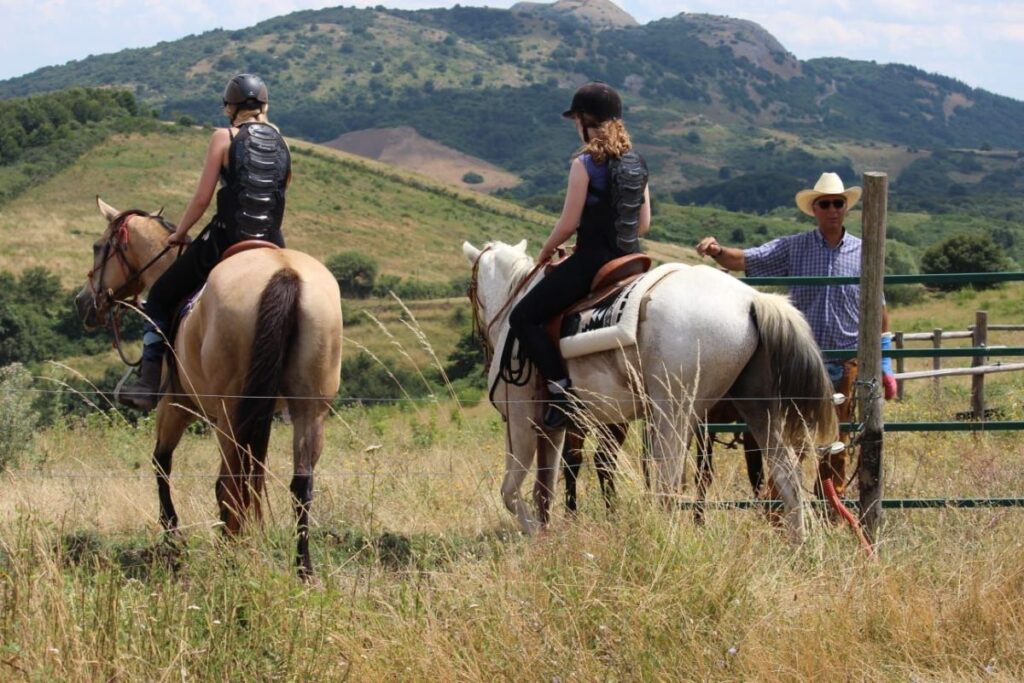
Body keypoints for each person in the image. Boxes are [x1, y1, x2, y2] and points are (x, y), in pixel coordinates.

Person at [696, 171, 895, 498]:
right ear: (814, 209)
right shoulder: (794, 248)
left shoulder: (864, 252)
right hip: (801, 358)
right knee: (790, 437)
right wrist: (717, 250)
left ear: (846, 208)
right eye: (825, 204)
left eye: (838, 203)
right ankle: (780, 506)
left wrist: (884, 358)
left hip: (845, 359)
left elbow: (879, 307)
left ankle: (830, 503)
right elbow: (747, 259)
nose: (832, 209)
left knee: (837, 442)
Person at [118, 73, 292, 410]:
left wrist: (179, 233)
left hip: (226, 236)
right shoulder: (282, 142)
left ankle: (148, 384)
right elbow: (280, 190)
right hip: (273, 237)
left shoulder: (223, 137)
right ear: (265, 105)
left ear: (230, 107)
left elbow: (201, 200)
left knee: (159, 297)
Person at [508, 81, 651, 430]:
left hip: (593, 263)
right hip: (630, 260)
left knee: (523, 317)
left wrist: (545, 250)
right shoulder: (637, 162)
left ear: (586, 122)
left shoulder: (585, 163)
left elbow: (569, 222)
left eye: (577, 121)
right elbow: (643, 224)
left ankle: (561, 391)